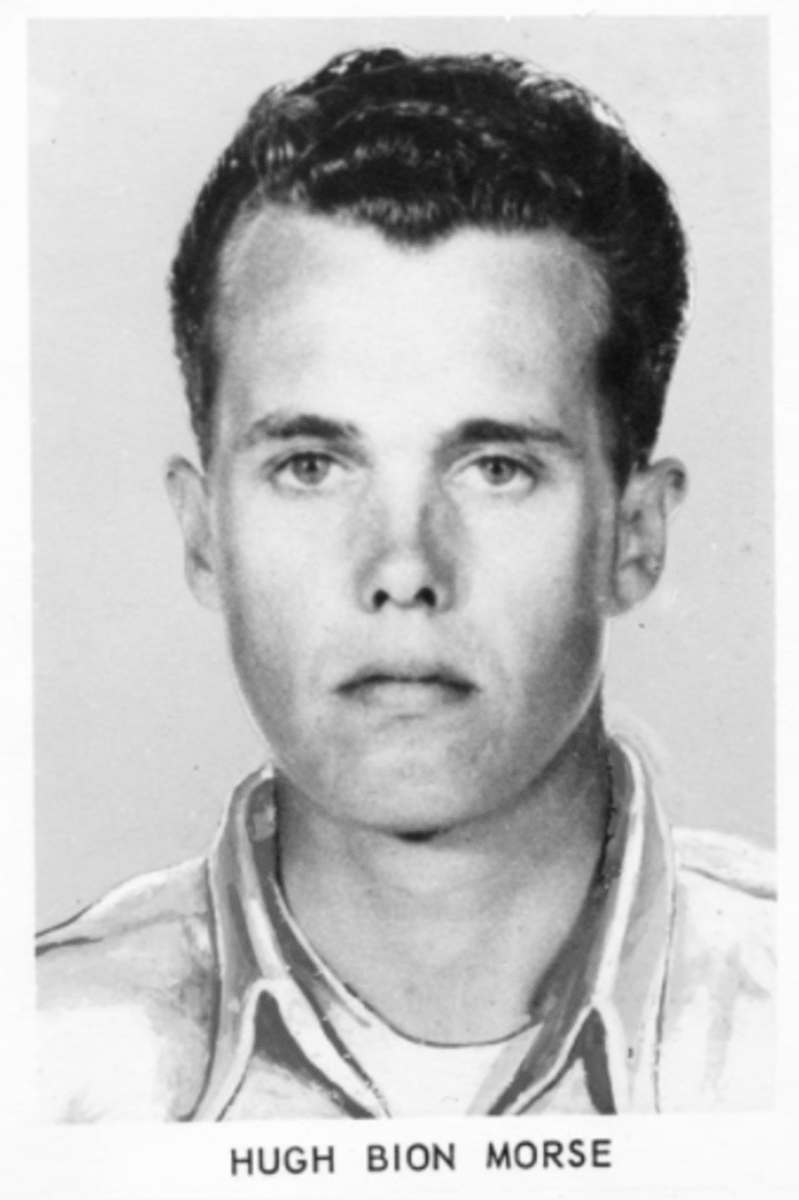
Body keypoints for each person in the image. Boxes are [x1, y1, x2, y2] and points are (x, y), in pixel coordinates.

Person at [36, 46, 774, 1121]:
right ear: (205, 536)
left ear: (635, 535)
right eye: (311, 466)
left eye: (496, 468)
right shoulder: (46, 1061)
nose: (402, 571)